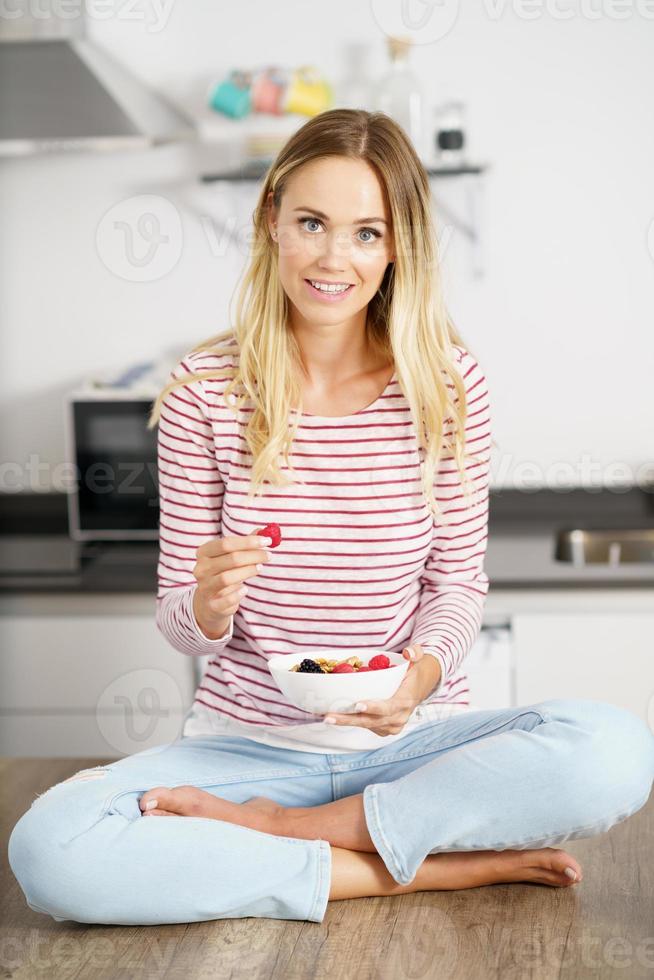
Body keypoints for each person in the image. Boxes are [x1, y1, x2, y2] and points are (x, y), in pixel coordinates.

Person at [8, 110, 654, 926]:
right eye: (311, 223)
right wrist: (207, 603)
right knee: (50, 850)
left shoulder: (447, 386)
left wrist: (415, 681)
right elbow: (179, 619)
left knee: (616, 747)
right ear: (271, 218)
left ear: (397, 248)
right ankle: (418, 868)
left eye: (364, 233)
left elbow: (456, 581)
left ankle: (290, 835)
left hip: (415, 747)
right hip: (245, 748)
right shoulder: (205, 390)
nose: (331, 258)